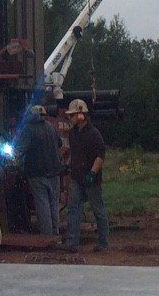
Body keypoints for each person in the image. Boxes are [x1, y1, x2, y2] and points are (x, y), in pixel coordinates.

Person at [64, 97, 109, 250]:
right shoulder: (73, 133)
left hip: (91, 179)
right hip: (77, 177)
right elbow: (74, 153)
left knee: (98, 210)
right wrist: (67, 165)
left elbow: (100, 156)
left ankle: (103, 242)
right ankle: (72, 242)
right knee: (74, 209)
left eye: (72, 115)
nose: (70, 118)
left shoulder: (94, 134)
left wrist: (92, 173)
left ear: (80, 115)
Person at [16, 103, 62, 237]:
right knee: (54, 204)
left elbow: (19, 150)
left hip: (37, 174)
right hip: (55, 172)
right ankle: (55, 233)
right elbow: (59, 143)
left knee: (43, 205)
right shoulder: (51, 127)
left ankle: (47, 236)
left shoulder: (28, 129)